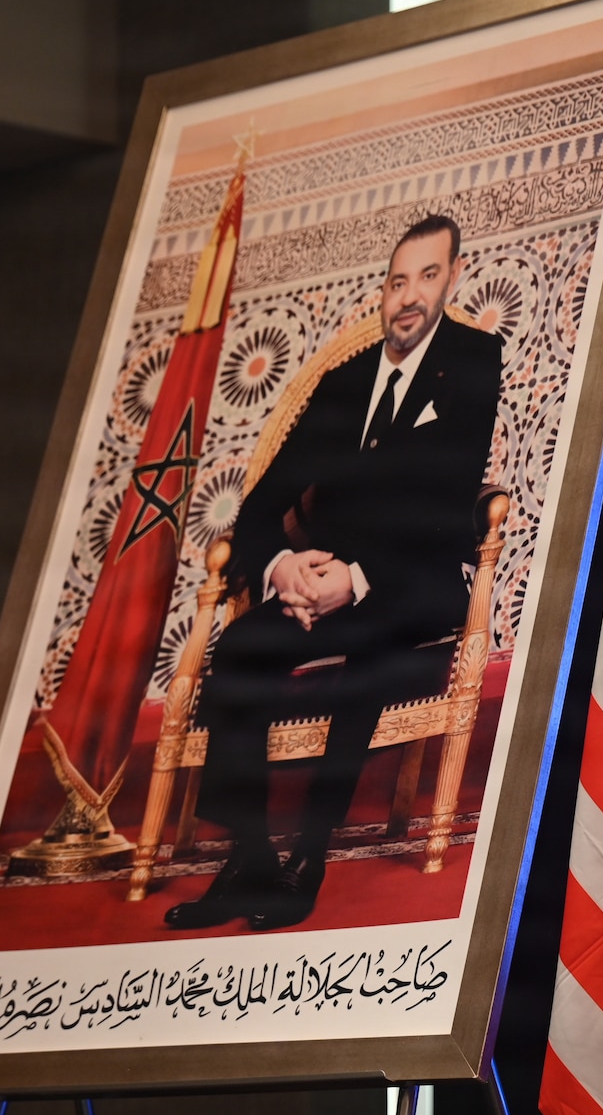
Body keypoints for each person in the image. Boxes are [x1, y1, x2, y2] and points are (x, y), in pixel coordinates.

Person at [166, 214, 503, 932]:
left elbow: (446, 498)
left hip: (411, 583)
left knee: (371, 645)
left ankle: (309, 858)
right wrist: (286, 567)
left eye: (427, 276)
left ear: (454, 279)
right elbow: (262, 507)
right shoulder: (343, 382)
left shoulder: (474, 359)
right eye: (396, 280)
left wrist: (354, 573)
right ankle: (251, 858)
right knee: (238, 649)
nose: (409, 295)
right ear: (383, 291)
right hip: (319, 590)